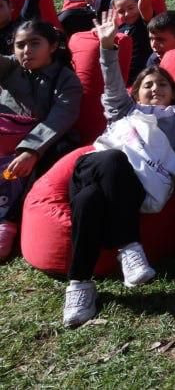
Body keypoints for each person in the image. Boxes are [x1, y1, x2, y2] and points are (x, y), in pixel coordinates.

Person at [61, 18, 175, 327]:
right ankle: (129, 246)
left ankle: (79, 285)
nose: (155, 88)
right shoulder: (124, 110)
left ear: (173, 93)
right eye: (148, 85)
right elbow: (113, 84)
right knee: (113, 160)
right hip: (94, 167)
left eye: (163, 85)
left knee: (89, 201)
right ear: (136, 93)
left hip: (132, 188)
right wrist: (107, 46)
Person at [0, 20, 83, 261]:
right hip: (7, 137)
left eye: (35, 44)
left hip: (46, 143)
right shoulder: (10, 67)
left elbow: (60, 118)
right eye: (20, 45)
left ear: (53, 45)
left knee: (57, 151)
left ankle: (10, 220)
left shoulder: (66, 79)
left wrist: (31, 150)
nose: (27, 51)